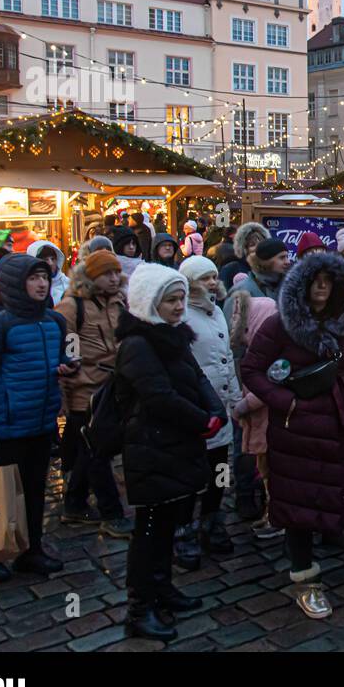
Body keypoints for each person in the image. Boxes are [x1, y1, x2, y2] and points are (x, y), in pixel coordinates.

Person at [240, 251, 344, 620]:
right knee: (298, 506)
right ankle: (306, 582)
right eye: (316, 282)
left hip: (339, 426)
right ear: (303, 285)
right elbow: (252, 369)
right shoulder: (280, 325)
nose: (323, 289)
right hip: (294, 433)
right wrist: (286, 402)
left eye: (329, 282)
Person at [115, 263, 225, 641]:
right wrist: (201, 420)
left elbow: (196, 377)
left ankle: (162, 588)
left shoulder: (174, 335)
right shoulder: (137, 344)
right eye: (171, 300)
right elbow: (158, 396)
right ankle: (139, 609)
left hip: (176, 445)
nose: (180, 307)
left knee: (165, 527)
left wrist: (215, 410)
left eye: (181, 298)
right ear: (150, 302)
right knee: (148, 531)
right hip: (150, 448)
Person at [0, 253, 73, 581]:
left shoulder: (55, 321)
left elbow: (63, 356)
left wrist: (68, 366)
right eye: (33, 278)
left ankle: (30, 549)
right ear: (14, 284)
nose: (41, 284)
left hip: (40, 422)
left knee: (35, 490)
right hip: (5, 426)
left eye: (44, 277)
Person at [53, 249, 132, 537]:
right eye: (106, 274)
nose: (113, 279)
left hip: (112, 388)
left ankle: (74, 503)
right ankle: (111, 513)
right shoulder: (72, 306)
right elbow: (65, 354)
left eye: (115, 273)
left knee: (91, 451)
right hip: (85, 391)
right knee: (95, 451)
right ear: (91, 276)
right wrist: (66, 393)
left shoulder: (118, 302)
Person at [179, 256, 240, 557]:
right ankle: (184, 529)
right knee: (191, 473)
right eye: (205, 278)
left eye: (214, 276)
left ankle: (212, 521)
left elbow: (226, 357)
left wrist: (236, 398)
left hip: (221, 405)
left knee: (219, 469)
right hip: (197, 408)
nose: (213, 283)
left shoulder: (216, 311)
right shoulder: (182, 316)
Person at [227, 290, 279, 536]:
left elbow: (267, 386)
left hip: (269, 423)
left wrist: (242, 406)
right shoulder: (259, 348)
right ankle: (271, 512)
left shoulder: (270, 350)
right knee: (266, 470)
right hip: (261, 423)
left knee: (273, 473)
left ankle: (276, 517)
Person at [222, 239, 290, 318]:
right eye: (282, 258)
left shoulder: (289, 287)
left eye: (287, 257)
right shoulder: (242, 290)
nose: (287, 261)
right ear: (266, 261)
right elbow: (231, 324)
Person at [219, 221, 271, 290]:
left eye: (261, 243)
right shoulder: (231, 268)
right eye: (252, 244)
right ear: (244, 249)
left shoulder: (270, 268)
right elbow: (222, 296)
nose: (258, 247)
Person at [24, 240, 69, 304]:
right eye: (45, 259)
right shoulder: (28, 287)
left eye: (53, 259)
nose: (50, 263)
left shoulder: (68, 283)